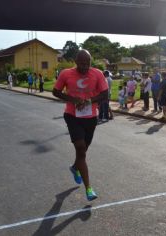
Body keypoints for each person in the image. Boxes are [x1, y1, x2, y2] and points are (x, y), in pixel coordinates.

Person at [52, 49, 108, 201]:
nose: (84, 66)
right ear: (75, 62)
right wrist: (72, 99)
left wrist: (90, 101)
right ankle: (89, 188)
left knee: (83, 151)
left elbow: (105, 94)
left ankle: (75, 167)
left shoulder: (97, 73)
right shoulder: (66, 74)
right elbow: (55, 91)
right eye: (82, 63)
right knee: (81, 149)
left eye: (87, 63)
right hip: (72, 116)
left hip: (90, 118)